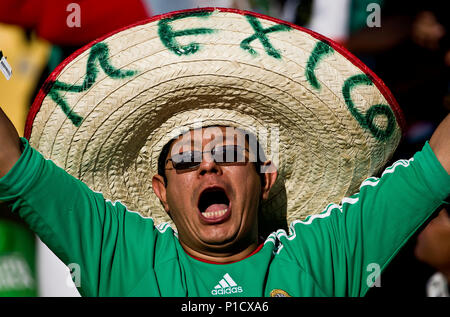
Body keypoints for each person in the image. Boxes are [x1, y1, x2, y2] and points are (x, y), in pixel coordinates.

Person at [0, 7, 449, 297]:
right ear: (162, 189)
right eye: (186, 161)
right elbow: (10, 163)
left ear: (266, 178)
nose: (208, 165)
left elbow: (435, 170)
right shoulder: (119, 252)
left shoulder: (323, 254)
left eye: (230, 153)